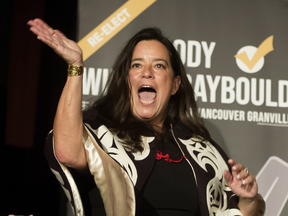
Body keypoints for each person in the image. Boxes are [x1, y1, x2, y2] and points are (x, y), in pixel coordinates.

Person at [28, 18, 265, 216]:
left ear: (175, 85)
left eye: (159, 66)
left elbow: (239, 210)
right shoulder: (99, 131)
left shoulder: (199, 148)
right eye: (137, 65)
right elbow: (67, 152)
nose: (147, 73)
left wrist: (250, 200)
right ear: (127, 79)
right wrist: (75, 66)